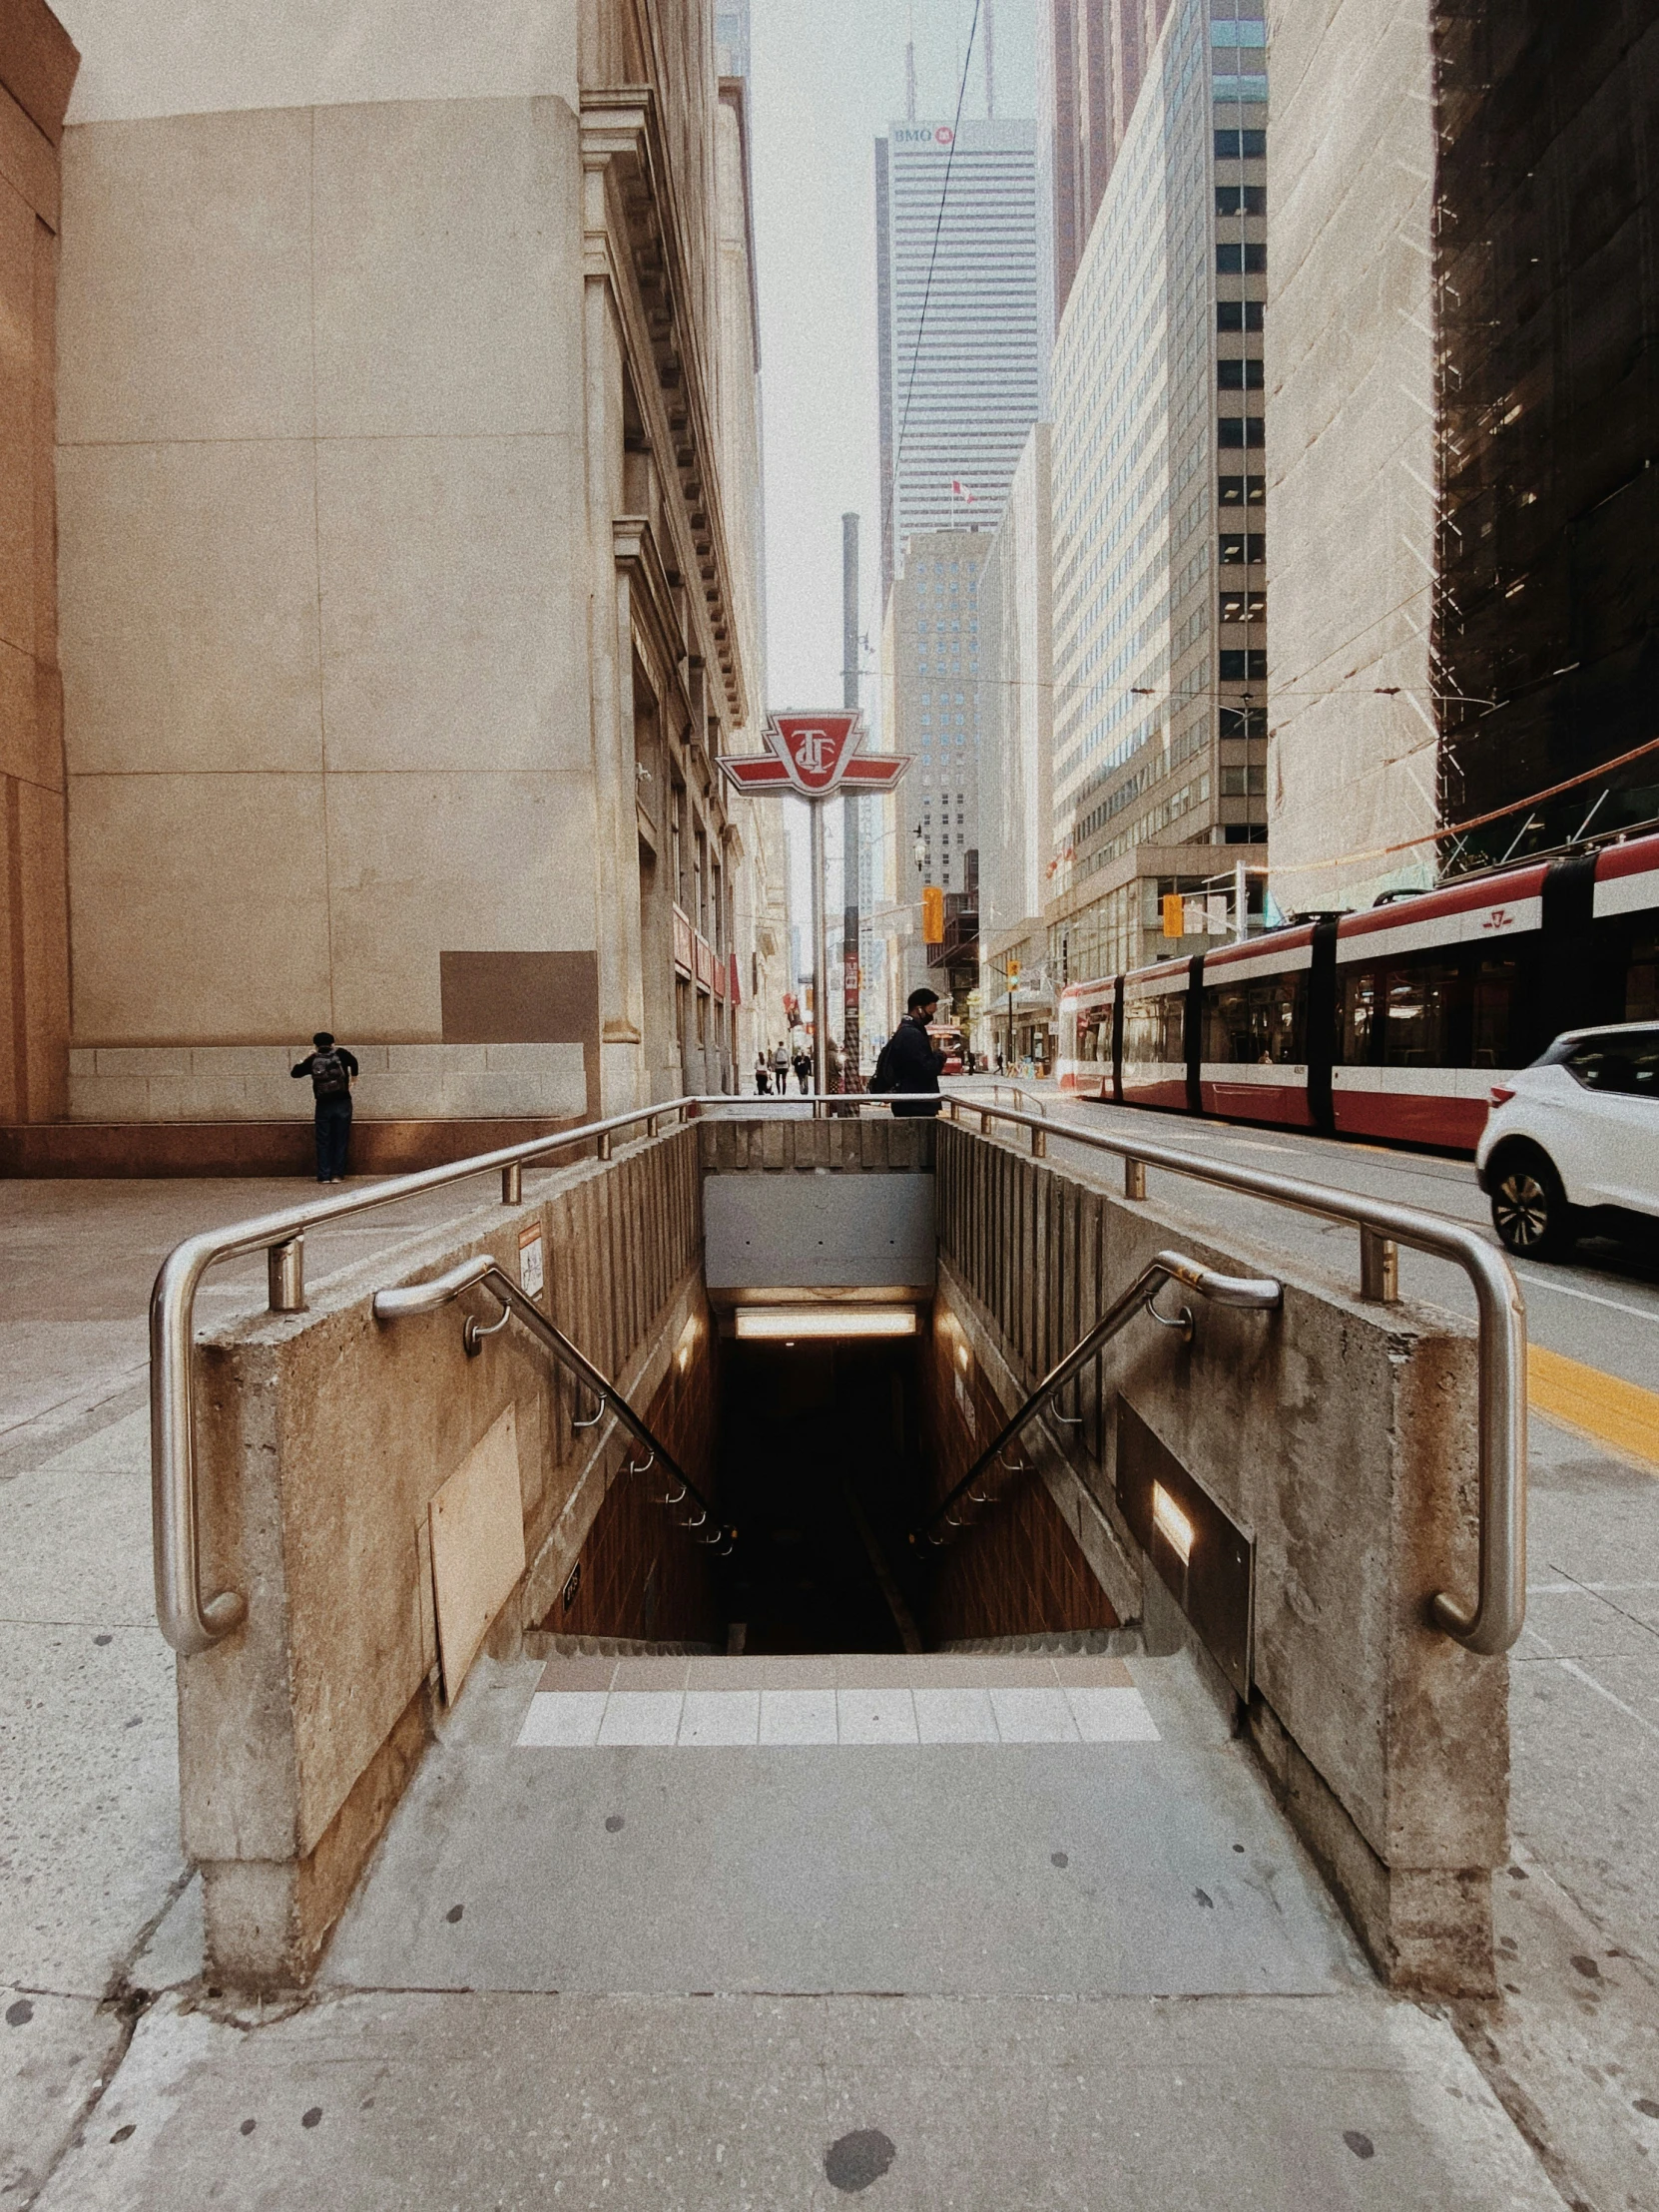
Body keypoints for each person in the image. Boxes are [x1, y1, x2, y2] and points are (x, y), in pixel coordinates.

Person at [290, 1031, 358, 1182]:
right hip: (343, 1102)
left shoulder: (314, 1059)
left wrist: (304, 1058)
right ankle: (337, 1175)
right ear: (333, 1044)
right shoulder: (341, 1053)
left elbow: (295, 1073)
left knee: (323, 1139)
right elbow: (354, 1062)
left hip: (323, 1104)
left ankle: (324, 1175)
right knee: (341, 1138)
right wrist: (353, 1080)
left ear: (315, 1046)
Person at [868, 988, 945, 1117]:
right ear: (919, 1009)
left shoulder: (907, 1030)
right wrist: (940, 1056)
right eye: (930, 1011)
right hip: (916, 1104)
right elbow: (926, 1068)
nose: (932, 1016)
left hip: (912, 1102)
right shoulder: (911, 1034)